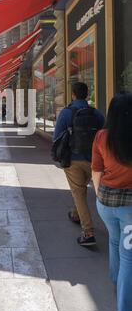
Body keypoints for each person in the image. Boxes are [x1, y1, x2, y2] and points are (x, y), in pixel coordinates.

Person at [92, 93, 132, 311]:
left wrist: (99, 195)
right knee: (129, 254)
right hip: (129, 208)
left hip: (105, 202)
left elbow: (96, 171)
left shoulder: (101, 136)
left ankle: (116, 282)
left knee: (114, 241)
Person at [53, 82, 105, 246]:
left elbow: (56, 137)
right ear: (87, 95)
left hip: (73, 160)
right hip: (95, 161)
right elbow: (104, 135)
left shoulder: (66, 113)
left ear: (73, 94)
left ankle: (88, 232)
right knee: (91, 191)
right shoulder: (96, 114)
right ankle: (76, 214)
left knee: (79, 193)